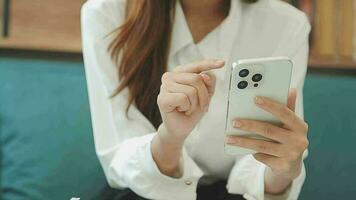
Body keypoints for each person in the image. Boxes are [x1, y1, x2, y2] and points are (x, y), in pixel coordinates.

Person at [81, 0, 310, 199]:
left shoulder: (286, 24)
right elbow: (120, 157)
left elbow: (263, 168)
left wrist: (284, 171)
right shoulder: (105, 14)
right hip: (145, 192)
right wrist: (170, 137)